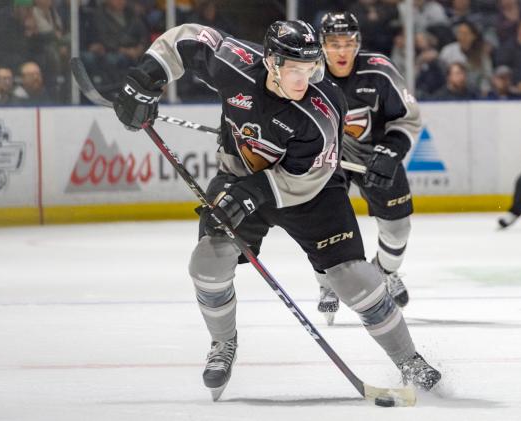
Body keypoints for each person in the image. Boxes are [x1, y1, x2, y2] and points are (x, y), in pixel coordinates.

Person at [112, 20, 441, 400]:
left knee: (356, 281)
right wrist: (145, 79)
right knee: (206, 264)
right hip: (240, 176)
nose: (303, 79)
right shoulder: (234, 64)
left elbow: (306, 178)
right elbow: (186, 38)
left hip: (311, 194)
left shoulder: (322, 107)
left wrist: (249, 194)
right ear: (270, 61)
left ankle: (409, 359)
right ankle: (223, 343)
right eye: (294, 69)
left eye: (310, 68)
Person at [314, 12, 420, 326]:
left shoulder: (379, 71)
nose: (342, 51)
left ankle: (384, 274)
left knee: (399, 230)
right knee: (322, 224)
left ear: (358, 43)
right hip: (328, 161)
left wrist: (390, 151)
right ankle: (327, 284)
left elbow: (408, 118)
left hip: (375, 156)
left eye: (348, 43)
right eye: (334, 44)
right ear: (322, 45)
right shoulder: (308, 73)